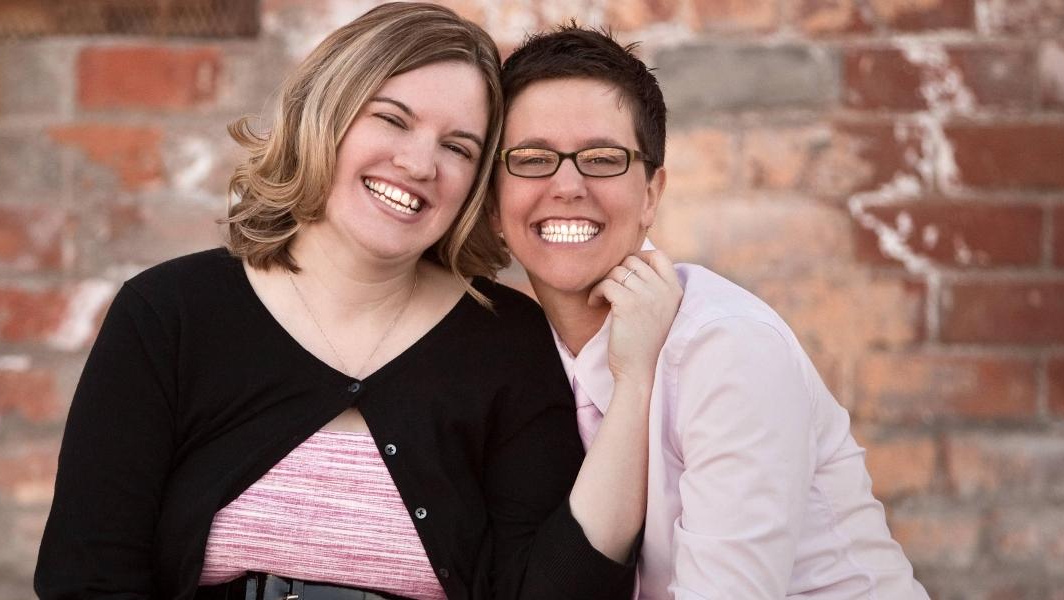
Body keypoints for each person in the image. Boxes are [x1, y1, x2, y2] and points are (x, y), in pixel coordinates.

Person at [35, 5, 666, 599]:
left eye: (459, 148)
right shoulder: (169, 315)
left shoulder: (508, 344)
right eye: (392, 119)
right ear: (327, 115)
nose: (420, 163)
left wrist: (634, 380)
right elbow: (86, 577)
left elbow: (556, 590)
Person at [492, 25, 932, 599]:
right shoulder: (520, 354)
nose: (568, 184)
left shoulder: (726, 349)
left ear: (651, 193)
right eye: (532, 158)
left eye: (602, 158)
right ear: (493, 202)